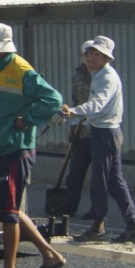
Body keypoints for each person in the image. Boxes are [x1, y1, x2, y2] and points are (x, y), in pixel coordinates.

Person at [0, 22, 67, 268]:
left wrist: (26, 119)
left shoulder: (20, 70)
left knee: (9, 214)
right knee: (11, 208)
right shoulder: (0, 69)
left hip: (18, 147)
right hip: (7, 144)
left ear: (3, 49)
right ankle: (51, 256)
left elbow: (53, 99)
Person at [63, 36, 135, 243]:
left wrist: (73, 112)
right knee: (115, 181)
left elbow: (97, 104)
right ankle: (131, 223)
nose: (92, 58)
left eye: (98, 55)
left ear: (106, 58)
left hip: (105, 133)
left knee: (101, 181)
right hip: (103, 131)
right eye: (90, 53)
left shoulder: (106, 77)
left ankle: (98, 226)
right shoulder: (99, 74)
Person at [56, 43, 96, 216]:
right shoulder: (78, 75)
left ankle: (97, 210)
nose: (88, 58)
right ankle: (69, 207)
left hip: (98, 129)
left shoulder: (101, 75)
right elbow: (75, 100)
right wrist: (73, 126)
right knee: (75, 172)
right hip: (82, 130)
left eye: (91, 54)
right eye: (84, 54)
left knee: (99, 175)